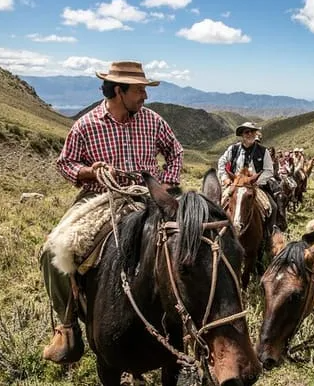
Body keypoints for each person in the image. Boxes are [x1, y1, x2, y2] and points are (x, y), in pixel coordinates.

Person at [41, 61, 184, 364]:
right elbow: (65, 163)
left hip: (147, 196)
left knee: (191, 240)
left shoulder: (153, 121)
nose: (145, 96)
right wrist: (88, 173)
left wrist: (166, 185)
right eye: (140, 90)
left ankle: (192, 323)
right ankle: (67, 328)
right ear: (119, 91)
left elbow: (176, 152)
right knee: (51, 252)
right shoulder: (87, 124)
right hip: (99, 198)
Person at [217, 122, 278, 235]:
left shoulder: (263, 151)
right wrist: (225, 177)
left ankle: (267, 236)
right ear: (242, 135)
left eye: (252, 132)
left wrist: (255, 181)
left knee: (272, 207)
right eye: (247, 132)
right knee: (218, 205)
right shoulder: (233, 149)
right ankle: (217, 234)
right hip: (235, 184)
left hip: (254, 186)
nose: (250, 134)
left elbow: (269, 170)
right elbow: (221, 162)